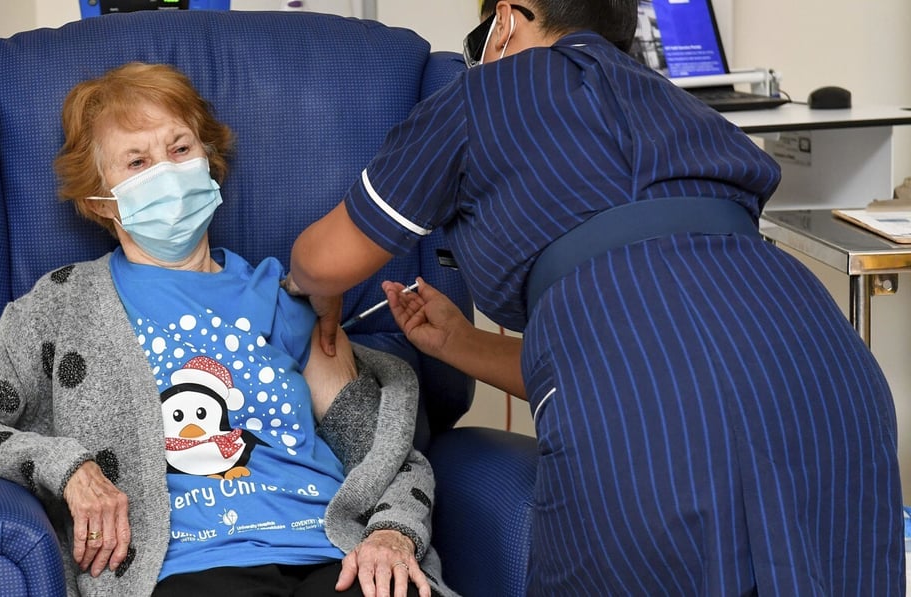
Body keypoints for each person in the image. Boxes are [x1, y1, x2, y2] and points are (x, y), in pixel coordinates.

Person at [286, 1, 903, 594]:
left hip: (650, 415)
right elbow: (666, 347)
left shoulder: (481, 97)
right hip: (829, 379)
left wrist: (314, 289)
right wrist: (457, 342)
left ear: (505, 20)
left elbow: (324, 259)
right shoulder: (681, 106)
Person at [0, 62, 458, 597]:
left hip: (332, 555)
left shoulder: (282, 298)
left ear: (209, 160)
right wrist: (69, 468)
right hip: (185, 568)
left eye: (180, 150)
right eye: (137, 162)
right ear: (98, 200)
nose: (167, 174)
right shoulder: (61, 306)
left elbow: (384, 454)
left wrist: (392, 531)